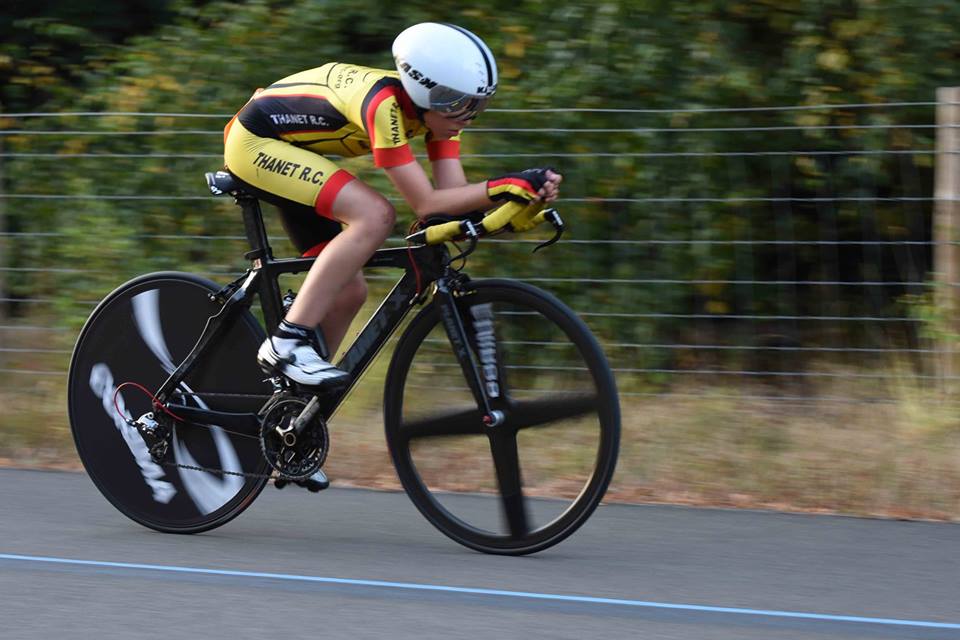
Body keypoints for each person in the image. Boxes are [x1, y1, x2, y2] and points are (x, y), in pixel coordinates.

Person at [223, 22, 562, 390]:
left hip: (294, 149)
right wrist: (506, 185)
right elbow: (426, 203)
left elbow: (451, 200)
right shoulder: (384, 105)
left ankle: (292, 401)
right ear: (427, 93)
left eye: (477, 105)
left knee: (349, 293)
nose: (468, 116)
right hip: (255, 143)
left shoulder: (443, 116)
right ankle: (286, 343)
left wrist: (514, 204)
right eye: (461, 104)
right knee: (375, 216)